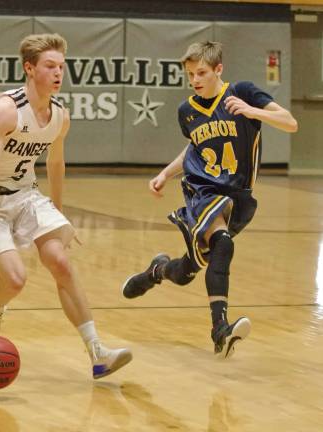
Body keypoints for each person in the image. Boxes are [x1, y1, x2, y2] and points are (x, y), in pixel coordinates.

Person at [0, 33, 132, 379]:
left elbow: (55, 164)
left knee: (60, 262)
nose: (57, 73)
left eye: (61, 67)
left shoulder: (60, 116)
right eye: (50, 66)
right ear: (29, 68)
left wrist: (58, 212)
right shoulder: (7, 110)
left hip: (25, 196)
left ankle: (98, 352)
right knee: (16, 279)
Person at [122, 41, 298, 359]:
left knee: (191, 267)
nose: (195, 81)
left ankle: (157, 271)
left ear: (218, 70)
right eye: (190, 74)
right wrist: (166, 174)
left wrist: (251, 110)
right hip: (202, 190)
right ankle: (220, 328)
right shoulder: (187, 111)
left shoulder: (242, 92)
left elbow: (290, 122)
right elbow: (193, 149)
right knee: (224, 243)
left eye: (201, 73)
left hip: (238, 196)